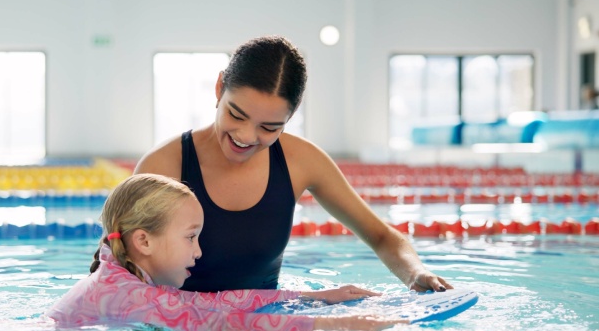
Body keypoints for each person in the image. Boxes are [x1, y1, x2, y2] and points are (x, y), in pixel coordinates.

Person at [135, 35, 453, 293]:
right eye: (236, 114)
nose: (246, 136)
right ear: (219, 88)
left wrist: (416, 273)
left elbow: (382, 236)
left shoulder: (301, 161)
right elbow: (121, 276)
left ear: (291, 117)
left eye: (269, 127)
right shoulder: (165, 165)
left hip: (264, 329)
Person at [45, 173, 405, 331]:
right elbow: (224, 324)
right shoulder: (131, 294)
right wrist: (338, 325)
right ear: (144, 241)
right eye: (191, 237)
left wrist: (316, 297)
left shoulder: (123, 280)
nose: (199, 251)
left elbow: (215, 303)